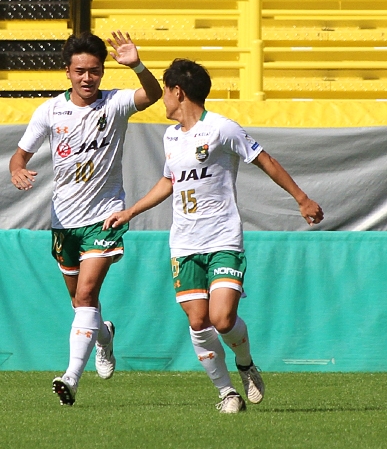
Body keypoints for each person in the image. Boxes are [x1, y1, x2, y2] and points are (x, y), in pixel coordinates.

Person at [103, 58, 324, 414]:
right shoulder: (171, 136)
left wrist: (302, 198)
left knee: (222, 319)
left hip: (222, 239)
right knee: (198, 322)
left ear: (178, 92)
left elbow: (264, 159)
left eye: (166, 91)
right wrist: (131, 211)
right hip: (184, 244)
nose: (163, 99)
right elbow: (169, 181)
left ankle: (246, 364)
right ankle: (227, 393)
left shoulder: (221, 128)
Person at [9, 31, 163, 406]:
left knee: (86, 294)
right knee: (81, 304)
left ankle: (71, 378)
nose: (88, 78)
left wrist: (138, 66)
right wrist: (17, 170)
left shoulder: (115, 104)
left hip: (105, 217)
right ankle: (104, 335)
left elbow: (154, 94)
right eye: (80, 71)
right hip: (64, 222)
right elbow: (20, 156)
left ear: (103, 72)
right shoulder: (49, 111)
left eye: (94, 71)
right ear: (67, 72)